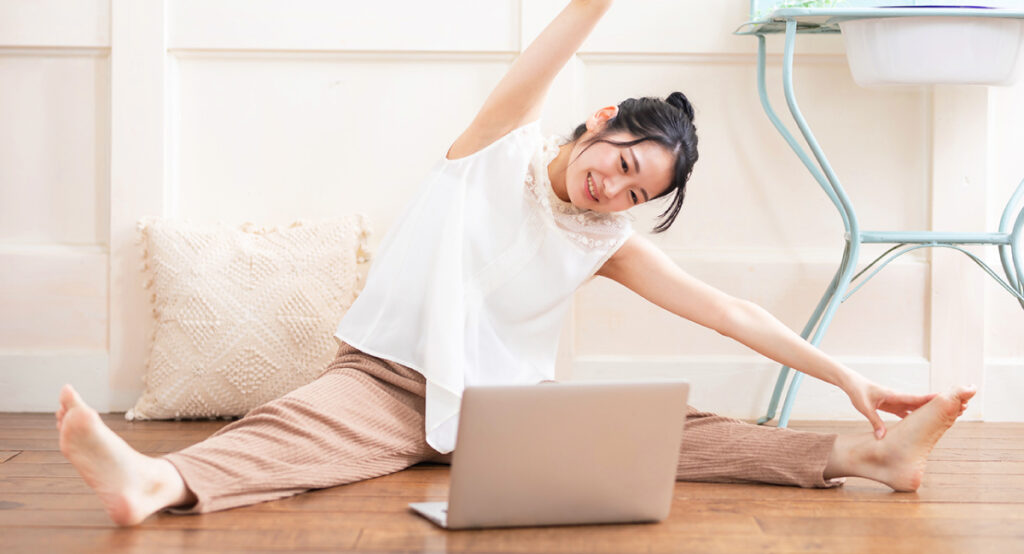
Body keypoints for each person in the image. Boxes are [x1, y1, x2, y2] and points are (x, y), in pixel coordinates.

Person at [56, 0, 975, 527]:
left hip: (506, 415)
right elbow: (549, 52)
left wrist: (852, 377)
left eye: (634, 192)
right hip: (384, 383)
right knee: (293, 430)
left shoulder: (602, 240)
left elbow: (733, 314)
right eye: (620, 163)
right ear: (600, 122)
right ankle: (158, 480)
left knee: (674, 430)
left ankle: (867, 454)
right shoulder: (488, 150)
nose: (612, 192)